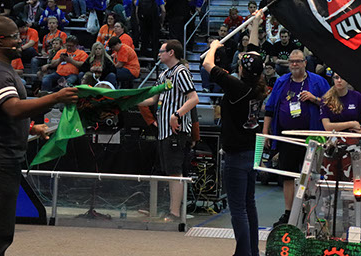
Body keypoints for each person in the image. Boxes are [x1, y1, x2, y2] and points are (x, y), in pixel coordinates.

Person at [0, 16, 78, 255]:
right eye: (14, 36)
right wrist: (56, 97)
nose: (20, 40)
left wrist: (30, 128)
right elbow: (13, 108)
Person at [202, 14, 266, 256]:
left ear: (241, 68)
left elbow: (209, 67)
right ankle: (251, 251)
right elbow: (254, 50)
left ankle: (244, 253)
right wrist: (256, 23)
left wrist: (214, 47)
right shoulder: (257, 83)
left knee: (237, 208)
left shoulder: (237, 87)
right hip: (251, 150)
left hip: (237, 154)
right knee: (249, 204)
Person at [263, 49, 330, 226]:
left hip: (312, 137)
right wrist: (265, 132)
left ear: (305, 63)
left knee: (311, 176)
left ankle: (311, 213)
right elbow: (269, 108)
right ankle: (289, 213)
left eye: (298, 61)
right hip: (287, 137)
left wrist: (314, 99)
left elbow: (331, 105)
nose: (294, 64)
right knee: (287, 176)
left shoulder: (318, 81)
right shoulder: (281, 82)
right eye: (292, 61)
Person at [139, 40, 199, 222]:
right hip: (164, 131)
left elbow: (194, 98)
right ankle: (172, 210)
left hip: (176, 130)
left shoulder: (181, 72)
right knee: (169, 172)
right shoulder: (165, 74)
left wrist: (177, 114)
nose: (159, 54)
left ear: (171, 52)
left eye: (162, 51)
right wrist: (127, 101)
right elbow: (153, 99)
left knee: (175, 172)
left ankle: (174, 213)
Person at [320, 73, 361, 180]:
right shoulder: (326, 99)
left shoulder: (356, 96)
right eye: (336, 78)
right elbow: (327, 126)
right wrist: (351, 123)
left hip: (352, 145)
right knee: (329, 179)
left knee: (354, 179)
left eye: (342, 77)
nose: (339, 81)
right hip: (333, 143)